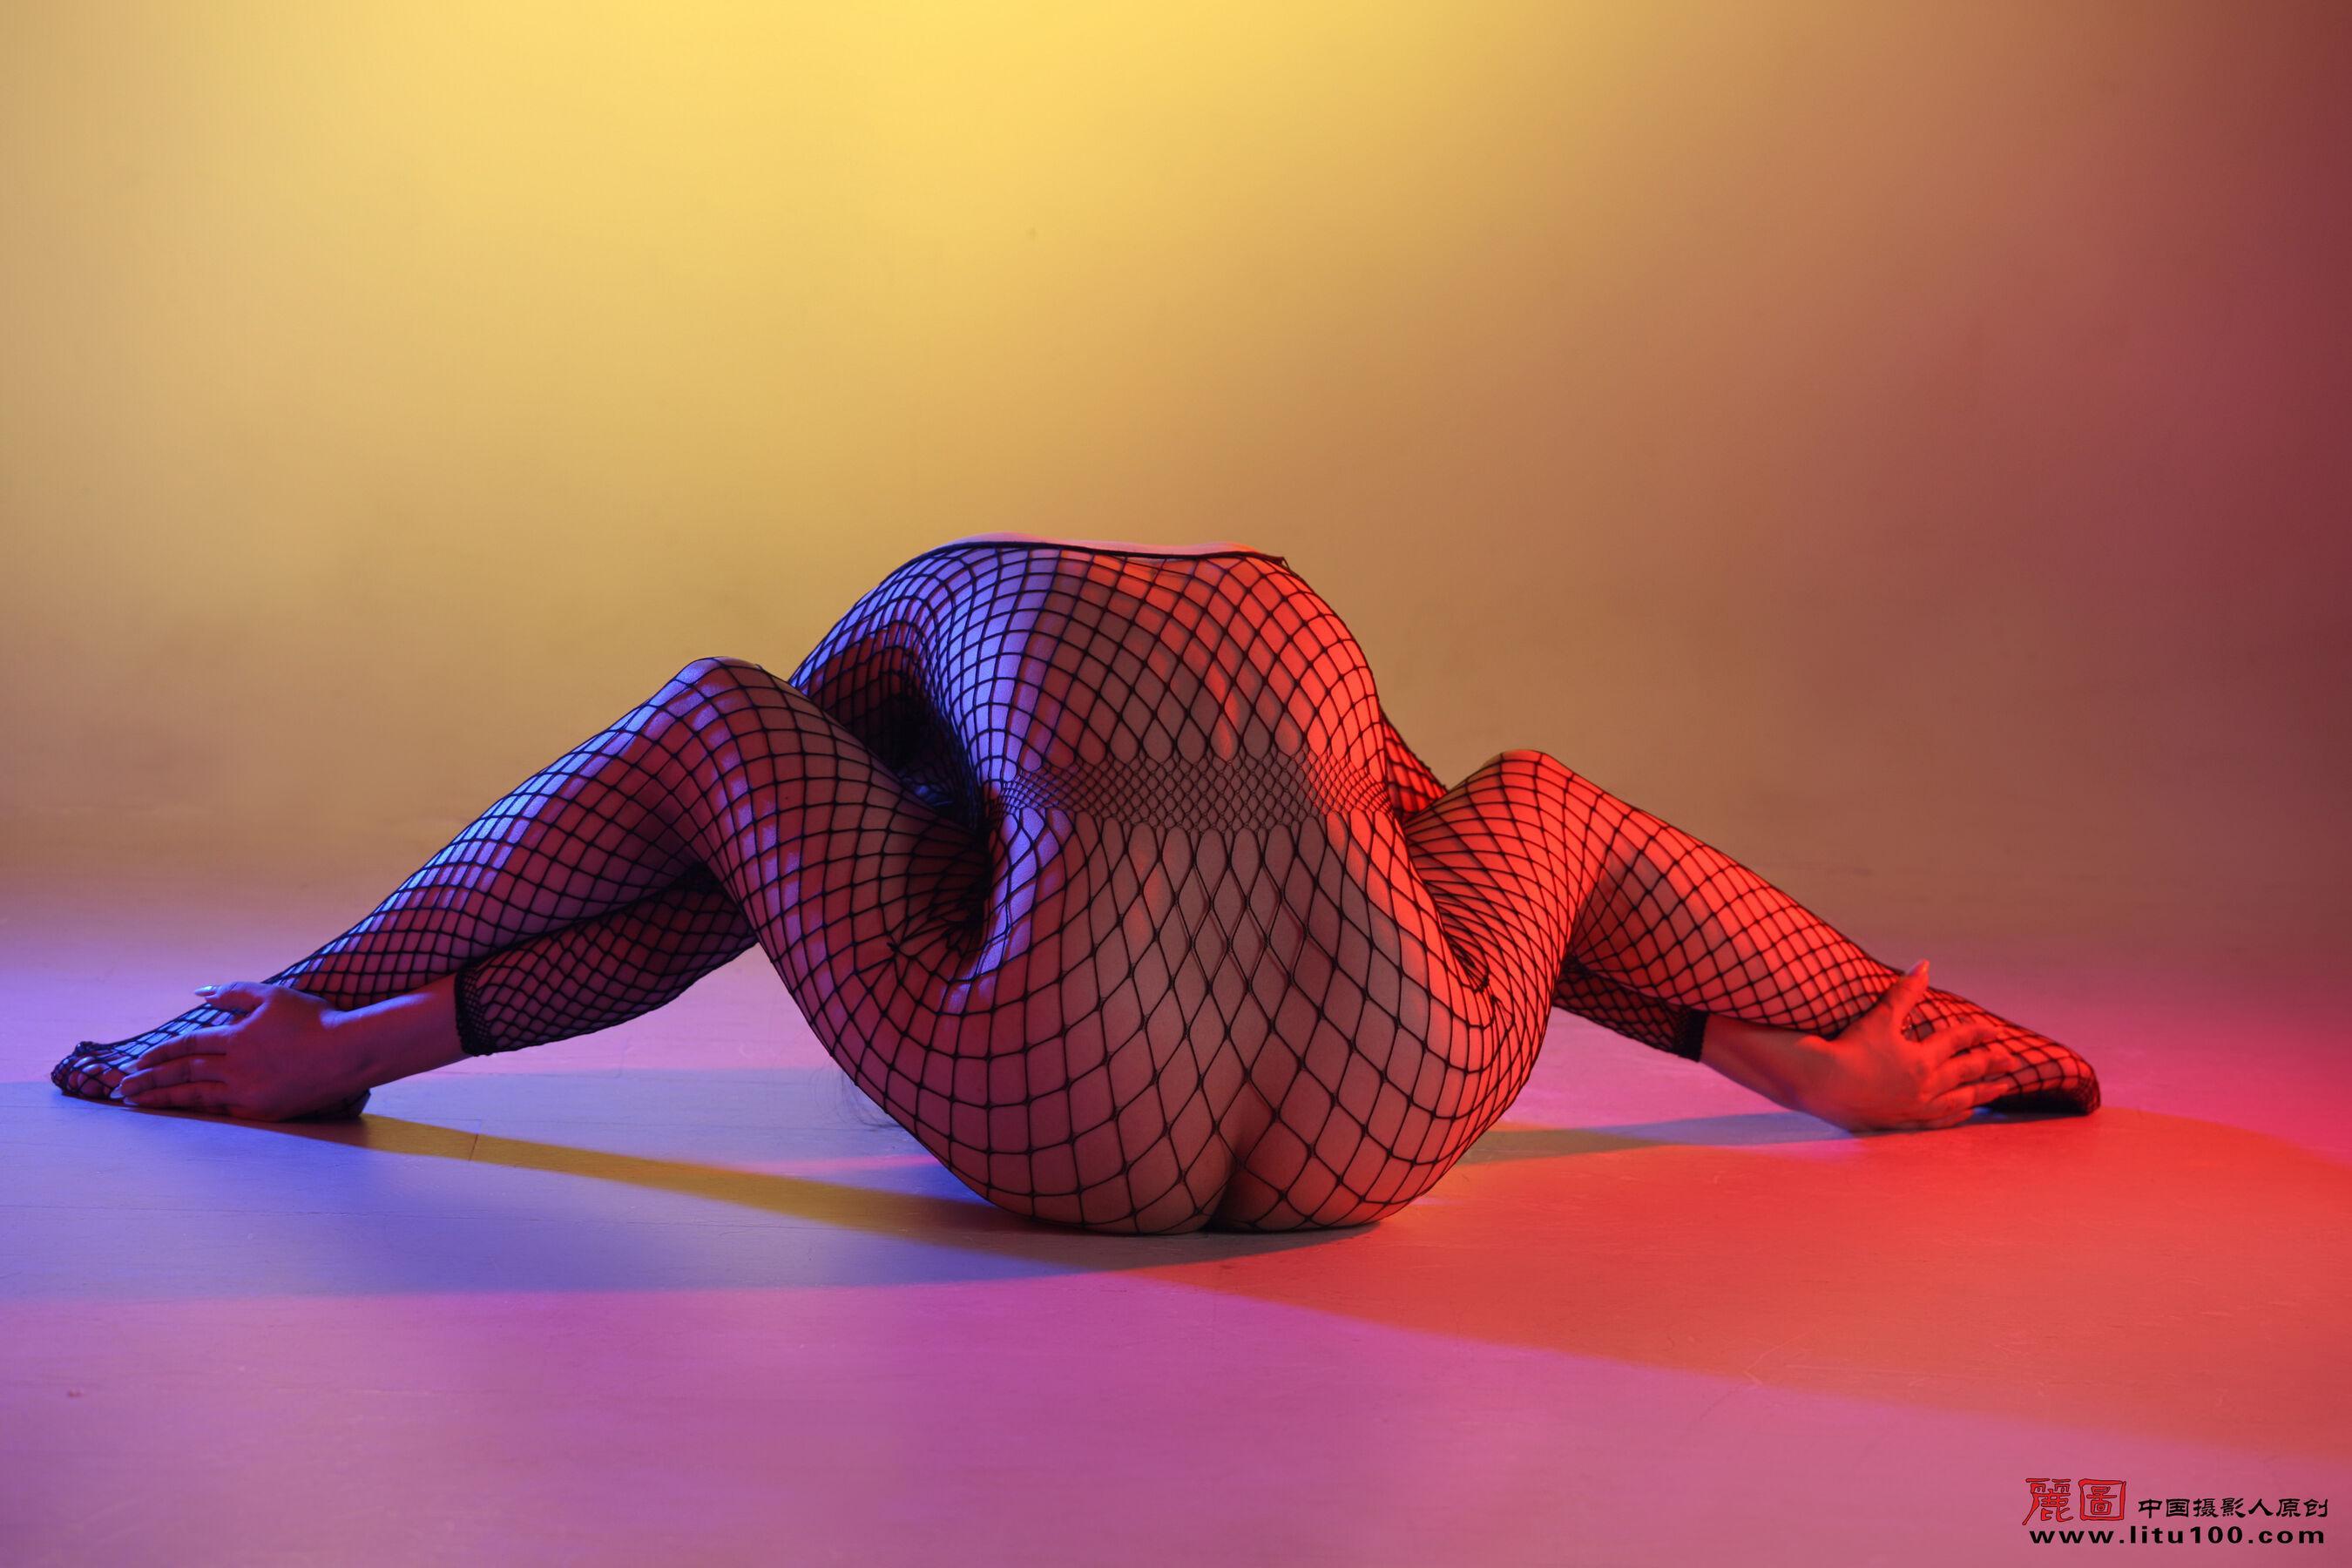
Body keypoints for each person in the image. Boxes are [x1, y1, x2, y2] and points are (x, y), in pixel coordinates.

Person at [52, 532, 2099, 1233]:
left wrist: (364, 1022)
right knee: (1536, 805)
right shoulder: (1255, 640)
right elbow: (1544, 921)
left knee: (716, 722)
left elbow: (693, 877)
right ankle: (1876, 1048)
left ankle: (289, 1018)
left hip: (1052, 1087)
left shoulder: (917, 635)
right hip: (1403, 1088)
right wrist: (1775, 1051)